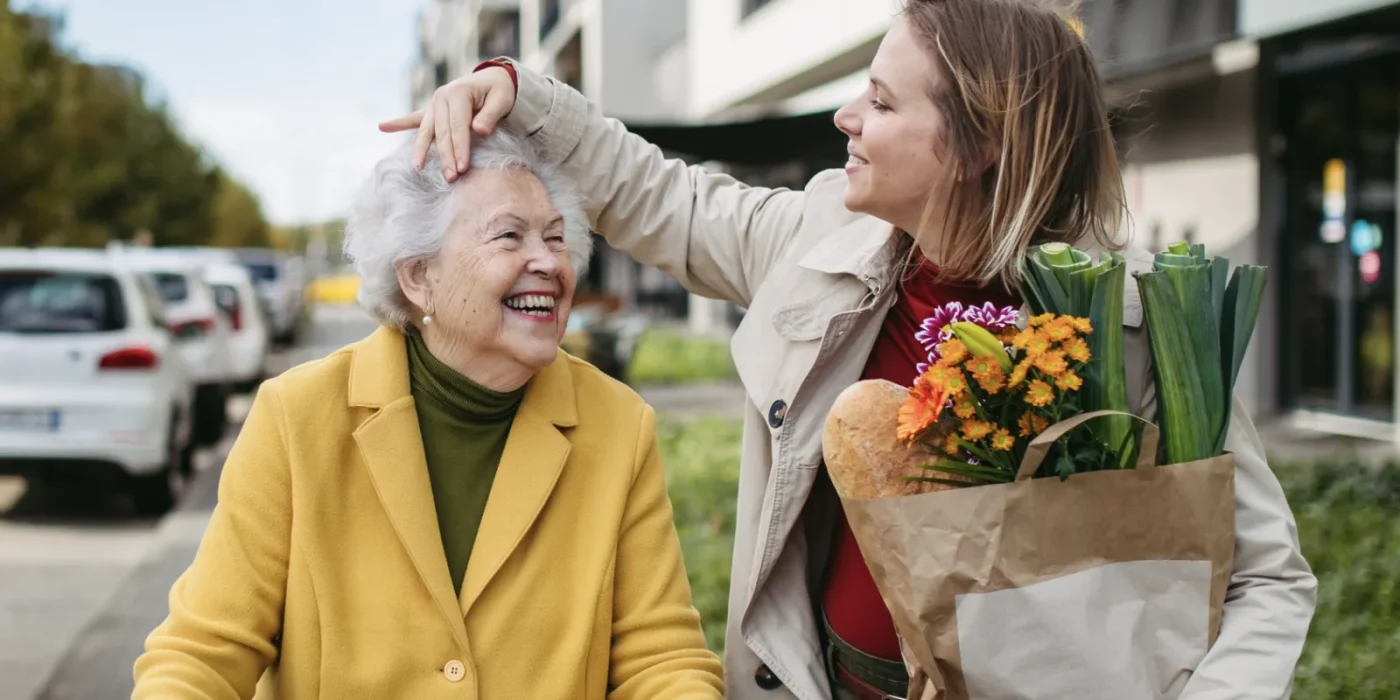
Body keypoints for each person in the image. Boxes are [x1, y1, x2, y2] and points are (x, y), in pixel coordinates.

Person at [382, 2, 1318, 699]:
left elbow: (1267, 579)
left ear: (977, 145)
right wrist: (518, 91)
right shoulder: (817, 242)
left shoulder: (1140, 323)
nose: (845, 121)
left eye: (879, 100)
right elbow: (661, 196)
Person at [131, 130, 724, 700]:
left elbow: (660, 658)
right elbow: (202, 653)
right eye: (509, 237)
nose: (547, 261)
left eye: (556, 236)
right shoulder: (297, 416)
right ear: (417, 276)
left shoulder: (617, 424)